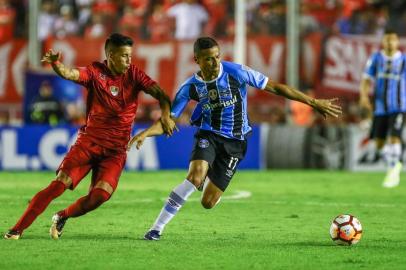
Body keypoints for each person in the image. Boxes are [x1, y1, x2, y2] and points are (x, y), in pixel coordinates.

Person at [127, 37, 342, 240]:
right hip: (209, 135)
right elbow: (169, 120)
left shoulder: (236, 72)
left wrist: (313, 102)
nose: (214, 62)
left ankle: (208, 178)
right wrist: (146, 133)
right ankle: (156, 228)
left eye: (217, 56)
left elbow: (275, 87)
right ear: (197, 60)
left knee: (208, 203)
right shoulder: (190, 87)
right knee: (194, 177)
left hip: (236, 142)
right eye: (208, 58)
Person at [4, 33, 176, 240]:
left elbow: (161, 95)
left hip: (115, 151)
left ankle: (62, 216)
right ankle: (16, 229)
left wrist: (165, 115)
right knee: (58, 185)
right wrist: (56, 63)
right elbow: (69, 73)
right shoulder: (95, 73)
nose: (129, 61)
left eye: (130, 56)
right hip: (89, 144)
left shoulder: (135, 75)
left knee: (100, 196)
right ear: (111, 55)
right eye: (124, 56)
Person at [359, 29, 406, 188]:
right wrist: (364, 96)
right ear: (382, 42)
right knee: (378, 144)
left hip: (399, 106)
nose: (389, 43)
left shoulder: (404, 60)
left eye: (392, 40)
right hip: (379, 108)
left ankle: (394, 168)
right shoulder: (376, 58)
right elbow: (366, 79)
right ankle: (393, 164)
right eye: (387, 40)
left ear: (397, 42)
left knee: (394, 137)